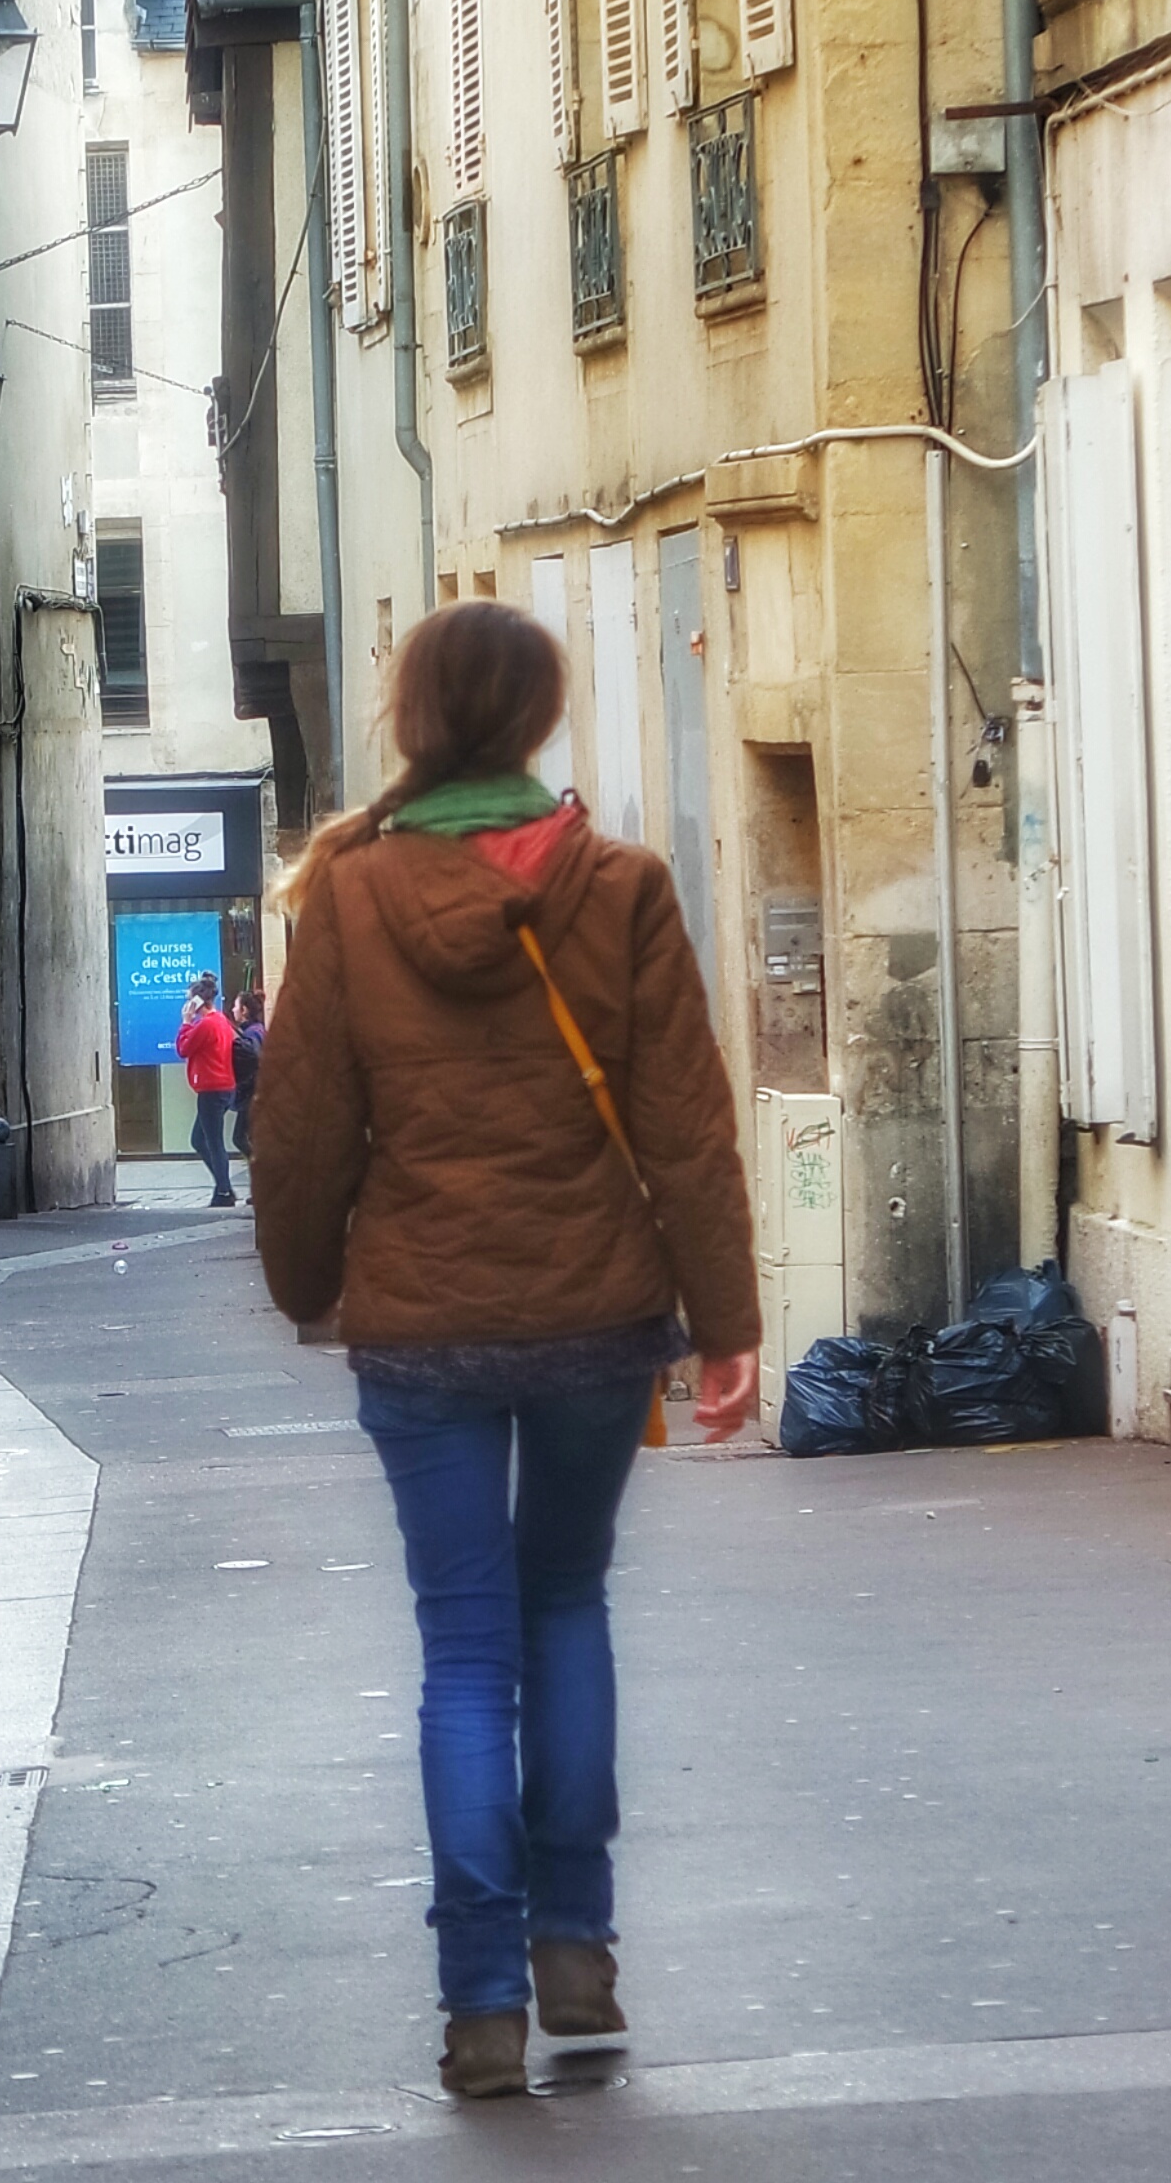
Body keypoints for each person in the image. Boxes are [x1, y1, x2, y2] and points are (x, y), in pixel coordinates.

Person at [252, 602, 759, 2102]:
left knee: (465, 1653)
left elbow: (300, 1129)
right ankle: (577, 1947)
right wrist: (725, 1326)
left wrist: (306, 1288)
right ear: (538, 719)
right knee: (568, 1609)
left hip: (422, 1328)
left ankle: (480, 1999)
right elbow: (688, 1124)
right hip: (599, 1316)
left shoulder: (345, 894)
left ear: (414, 717)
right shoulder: (623, 888)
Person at [176, 975, 239, 1207]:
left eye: (189, 1000)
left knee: (212, 1142)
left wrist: (185, 1021)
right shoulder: (220, 1020)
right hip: (222, 1086)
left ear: (197, 1002)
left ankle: (224, 1191)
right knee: (199, 1139)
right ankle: (224, 1186)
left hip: (212, 1089)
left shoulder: (206, 1024)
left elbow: (183, 1048)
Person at [228, 985, 266, 1161]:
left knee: (240, 1138)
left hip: (252, 1092)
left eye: (236, 1006)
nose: (233, 1009)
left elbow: (253, 1061)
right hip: (256, 1091)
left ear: (244, 1010)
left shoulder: (251, 1034)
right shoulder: (257, 1030)